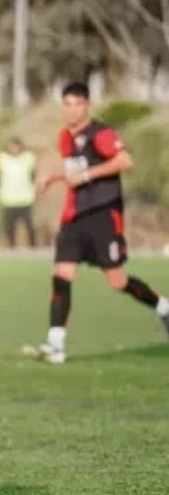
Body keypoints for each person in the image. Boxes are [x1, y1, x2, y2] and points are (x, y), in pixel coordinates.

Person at [24, 82, 169, 363]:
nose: (71, 110)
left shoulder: (101, 133)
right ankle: (56, 345)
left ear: (87, 106)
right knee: (61, 275)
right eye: (66, 104)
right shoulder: (65, 137)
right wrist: (51, 178)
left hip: (103, 214)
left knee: (117, 281)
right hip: (74, 217)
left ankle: (163, 306)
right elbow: (73, 169)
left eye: (76, 104)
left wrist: (89, 175)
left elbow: (125, 160)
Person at [0, 137, 37, 249]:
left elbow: (33, 176)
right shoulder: (2, 159)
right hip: (8, 199)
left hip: (25, 198)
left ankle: (33, 248)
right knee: (9, 227)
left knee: (29, 226)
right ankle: (11, 248)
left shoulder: (28, 158)